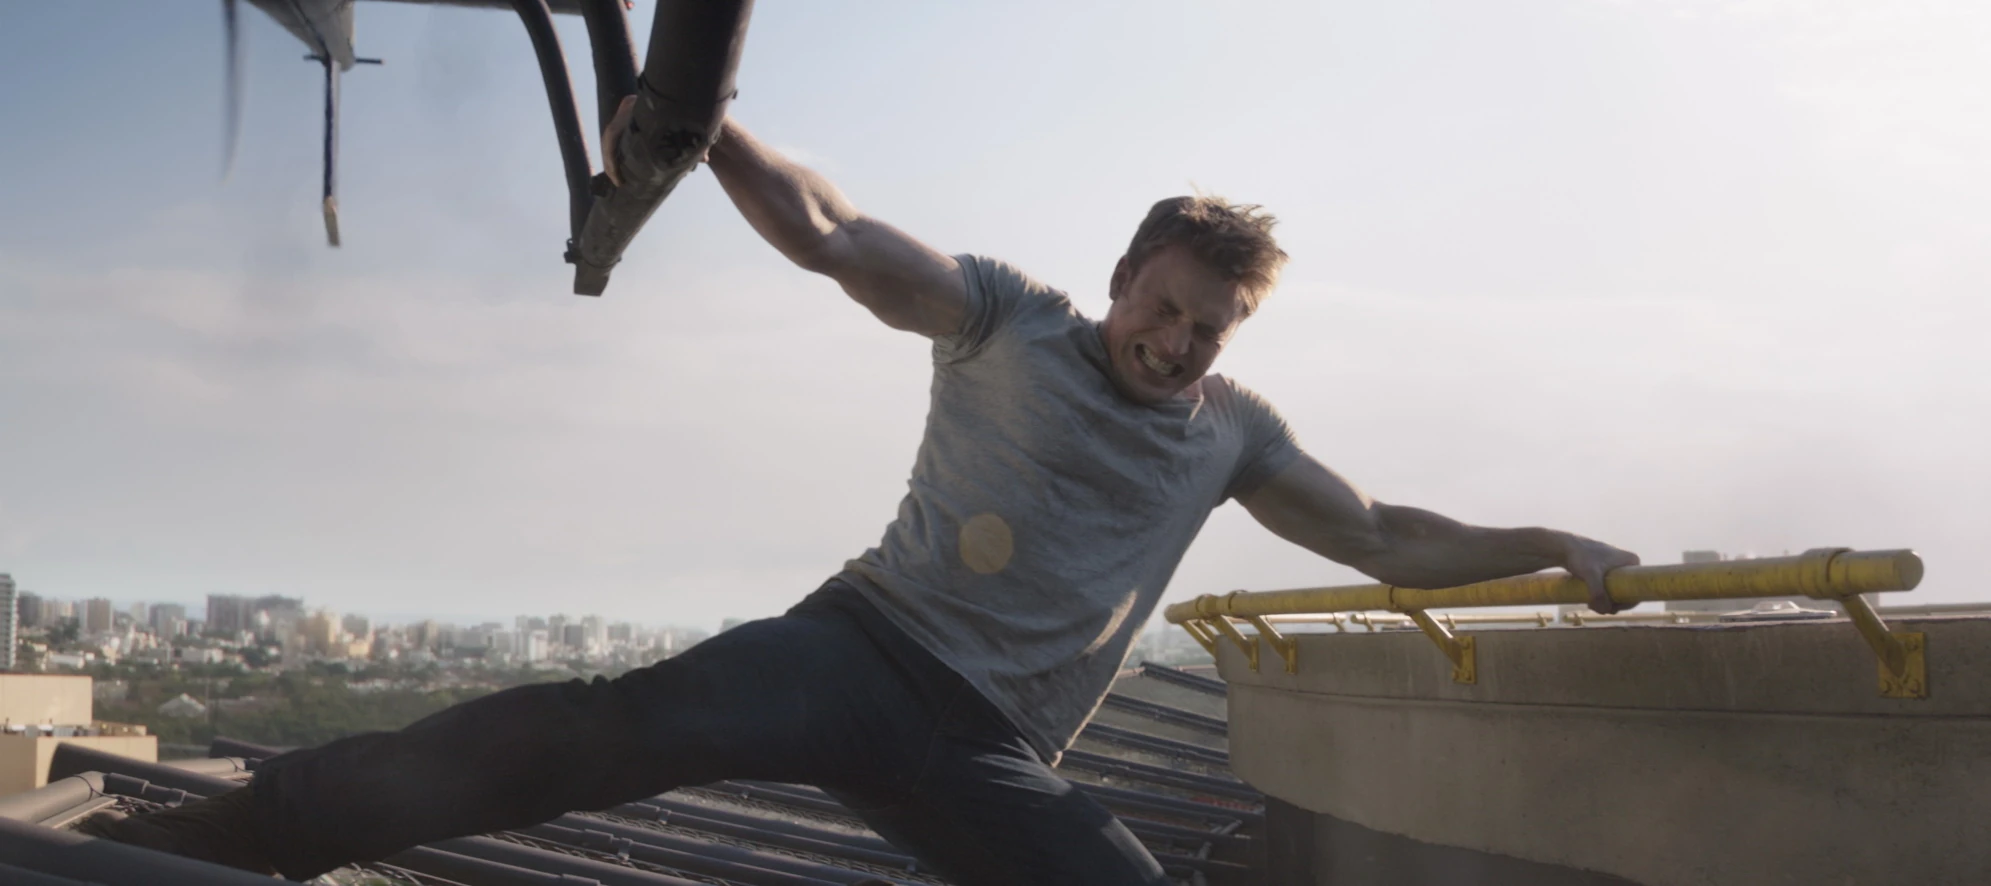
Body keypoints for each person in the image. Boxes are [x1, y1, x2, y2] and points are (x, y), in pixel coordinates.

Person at [80, 100, 1639, 885]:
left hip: (992, 749)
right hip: (855, 651)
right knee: (594, 730)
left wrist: (1549, 546)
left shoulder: (1232, 433)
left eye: (1204, 332)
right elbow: (833, 233)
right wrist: (702, 134)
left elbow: (1381, 536)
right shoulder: (1008, 316)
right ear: (1120, 279)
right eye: (1160, 309)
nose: (1171, 346)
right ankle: (237, 839)